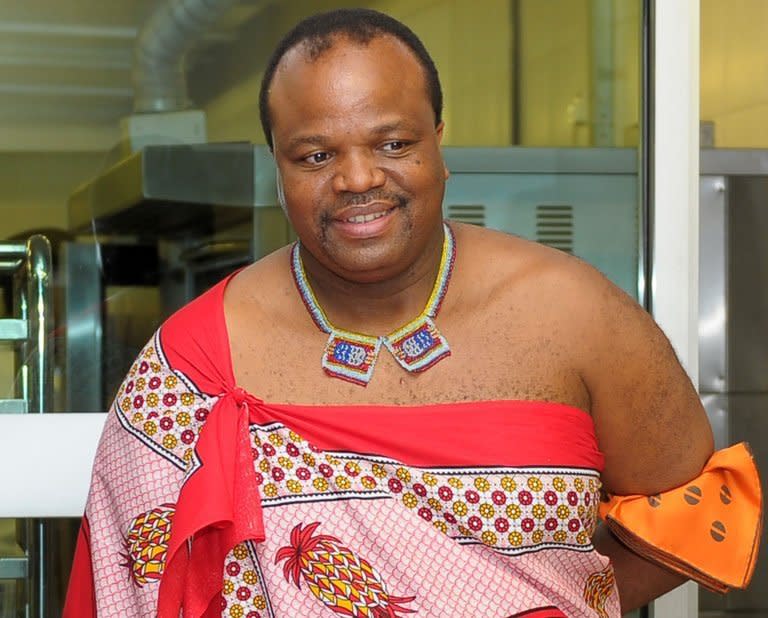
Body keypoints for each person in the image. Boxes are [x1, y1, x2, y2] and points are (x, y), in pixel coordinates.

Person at [64, 8, 761, 618]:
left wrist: (550, 596)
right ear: (276, 166)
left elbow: (704, 508)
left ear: (439, 142)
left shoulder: (574, 314)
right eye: (315, 155)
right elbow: (128, 588)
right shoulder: (196, 360)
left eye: (393, 144)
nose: (359, 178)